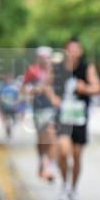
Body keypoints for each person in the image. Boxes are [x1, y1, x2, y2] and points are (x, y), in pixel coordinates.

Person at [50, 38, 100, 200]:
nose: (73, 52)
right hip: (63, 118)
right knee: (63, 152)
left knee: (77, 156)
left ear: (81, 51)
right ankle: (64, 185)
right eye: (70, 49)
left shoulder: (87, 68)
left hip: (79, 117)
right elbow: (46, 85)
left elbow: (97, 88)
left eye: (76, 49)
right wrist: (53, 98)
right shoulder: (57, 67)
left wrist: (84, 88)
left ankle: (73, 189)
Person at [23, 46, 58, 181]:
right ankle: (42, 160)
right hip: (39, 108)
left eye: (47, 57)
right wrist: (34, 91)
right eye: (42, 57)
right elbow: (25, 89)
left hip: (52, 107)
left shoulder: (55, 70)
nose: (45, 60)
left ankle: (50, 167)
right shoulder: (32, 70)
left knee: (52, 137)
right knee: (42, 139)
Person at [0, 74, 21, 140]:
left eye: (9, 79)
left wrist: (17, 104)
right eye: (7, 79)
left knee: (14, 120)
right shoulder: (1, 88)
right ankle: (8, 132)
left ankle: (10, 128)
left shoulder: (15, 88)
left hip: (13, 107)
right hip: (5, 107)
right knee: (7, 121)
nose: (8, 80)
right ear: (4, 80)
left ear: (11, 80)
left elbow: (18, 97)